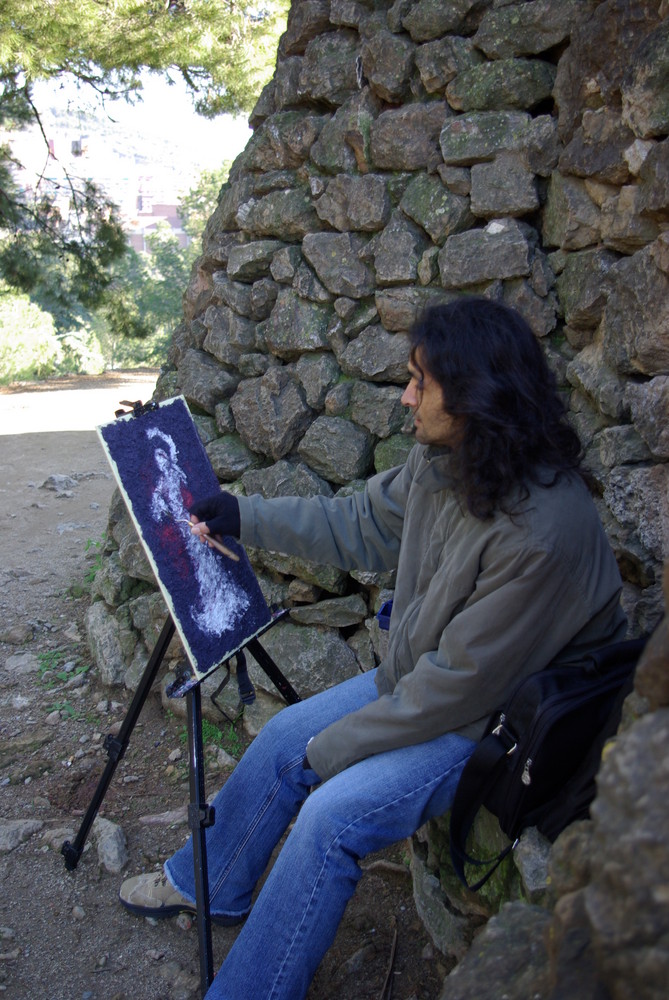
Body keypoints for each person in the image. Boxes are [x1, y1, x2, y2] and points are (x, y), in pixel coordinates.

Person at [119, 297, 627, 1000]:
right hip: (431, 681)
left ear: (478, 393)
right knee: (281, 738)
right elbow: (359, 522)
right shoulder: (450, 460)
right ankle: (207, 885)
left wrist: (333, 750)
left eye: (420, 380)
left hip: (494, 722)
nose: (405, 396)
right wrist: (245, 517)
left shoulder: (541, 533)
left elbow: (458, 689)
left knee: (329, 816)